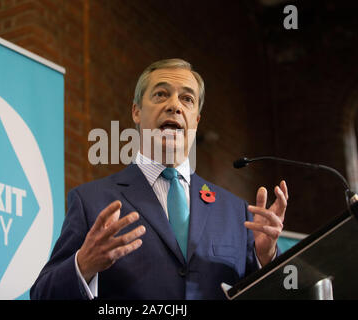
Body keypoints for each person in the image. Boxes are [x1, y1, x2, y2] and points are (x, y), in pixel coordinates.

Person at [30, 58, 288, 300]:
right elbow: (43, 294)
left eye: (187, 99)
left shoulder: (236, 212)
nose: (174, 105)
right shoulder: (91, 201)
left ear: (196, 120)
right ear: (136, 112)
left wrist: (265, 258)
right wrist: (83, 265)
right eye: (161, 94)